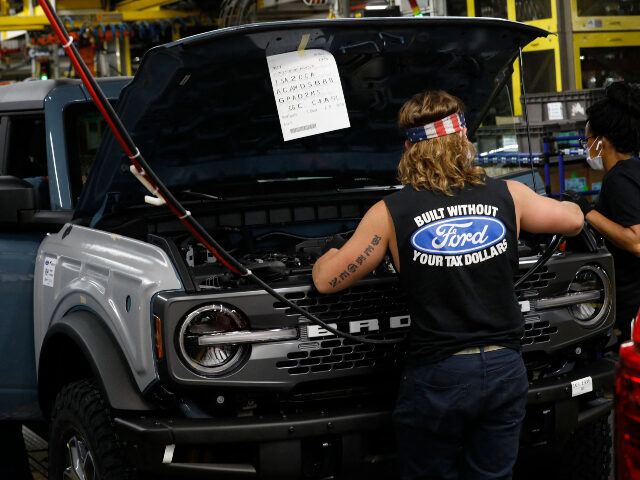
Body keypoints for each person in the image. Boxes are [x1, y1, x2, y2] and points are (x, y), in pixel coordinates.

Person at [312, 90, 584, 480]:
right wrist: (572, 202)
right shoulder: (510, 195)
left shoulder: (390, 212)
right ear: (463, 142)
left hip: (438, 376)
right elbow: (573, 221)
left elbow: (326, 281)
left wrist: (325, 253)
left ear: (410, 151)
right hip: (505, 367)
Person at [565, 82, 640, 345]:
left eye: (586, 140)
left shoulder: (618, 179)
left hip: (633, 304)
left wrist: (587, 212)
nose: (586, 147)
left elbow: (637, 241)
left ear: (602, 141)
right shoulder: (633, 170)